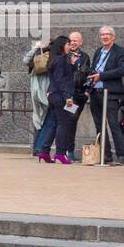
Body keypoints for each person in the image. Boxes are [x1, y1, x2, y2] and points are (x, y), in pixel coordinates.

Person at [86, 25, 124, 165]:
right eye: (102, 35)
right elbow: (94, 68)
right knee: (99, 126)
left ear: (113, 37)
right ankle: (106, 156)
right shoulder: (98, 51)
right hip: (95, 92)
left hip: (110, 93)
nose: (104, 37)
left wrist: (101, 76)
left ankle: (121, 156)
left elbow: (121, 70)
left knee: (113, 124)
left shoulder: (120, 51)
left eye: (107, 34)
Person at [39, 36, 78, 164]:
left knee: (54, 123)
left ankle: (44, 151)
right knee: (63, 124)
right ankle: (60, 153)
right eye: (68, 44)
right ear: (62, 45)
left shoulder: (54, 59)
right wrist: (67, 97)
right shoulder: (60, 59)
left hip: (54, 94)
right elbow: (61, 80)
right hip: (60, 95)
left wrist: (72, 64)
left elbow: (63, 77)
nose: (70, 46)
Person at [23, 38, 54, 155]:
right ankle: (39, 148)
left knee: (44, 119)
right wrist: (35, 48)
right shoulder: (37, 53)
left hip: (45, 88)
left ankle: (38, 147)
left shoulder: (52, 54)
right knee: (43, 119)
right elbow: (25, 60)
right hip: (38, 89)